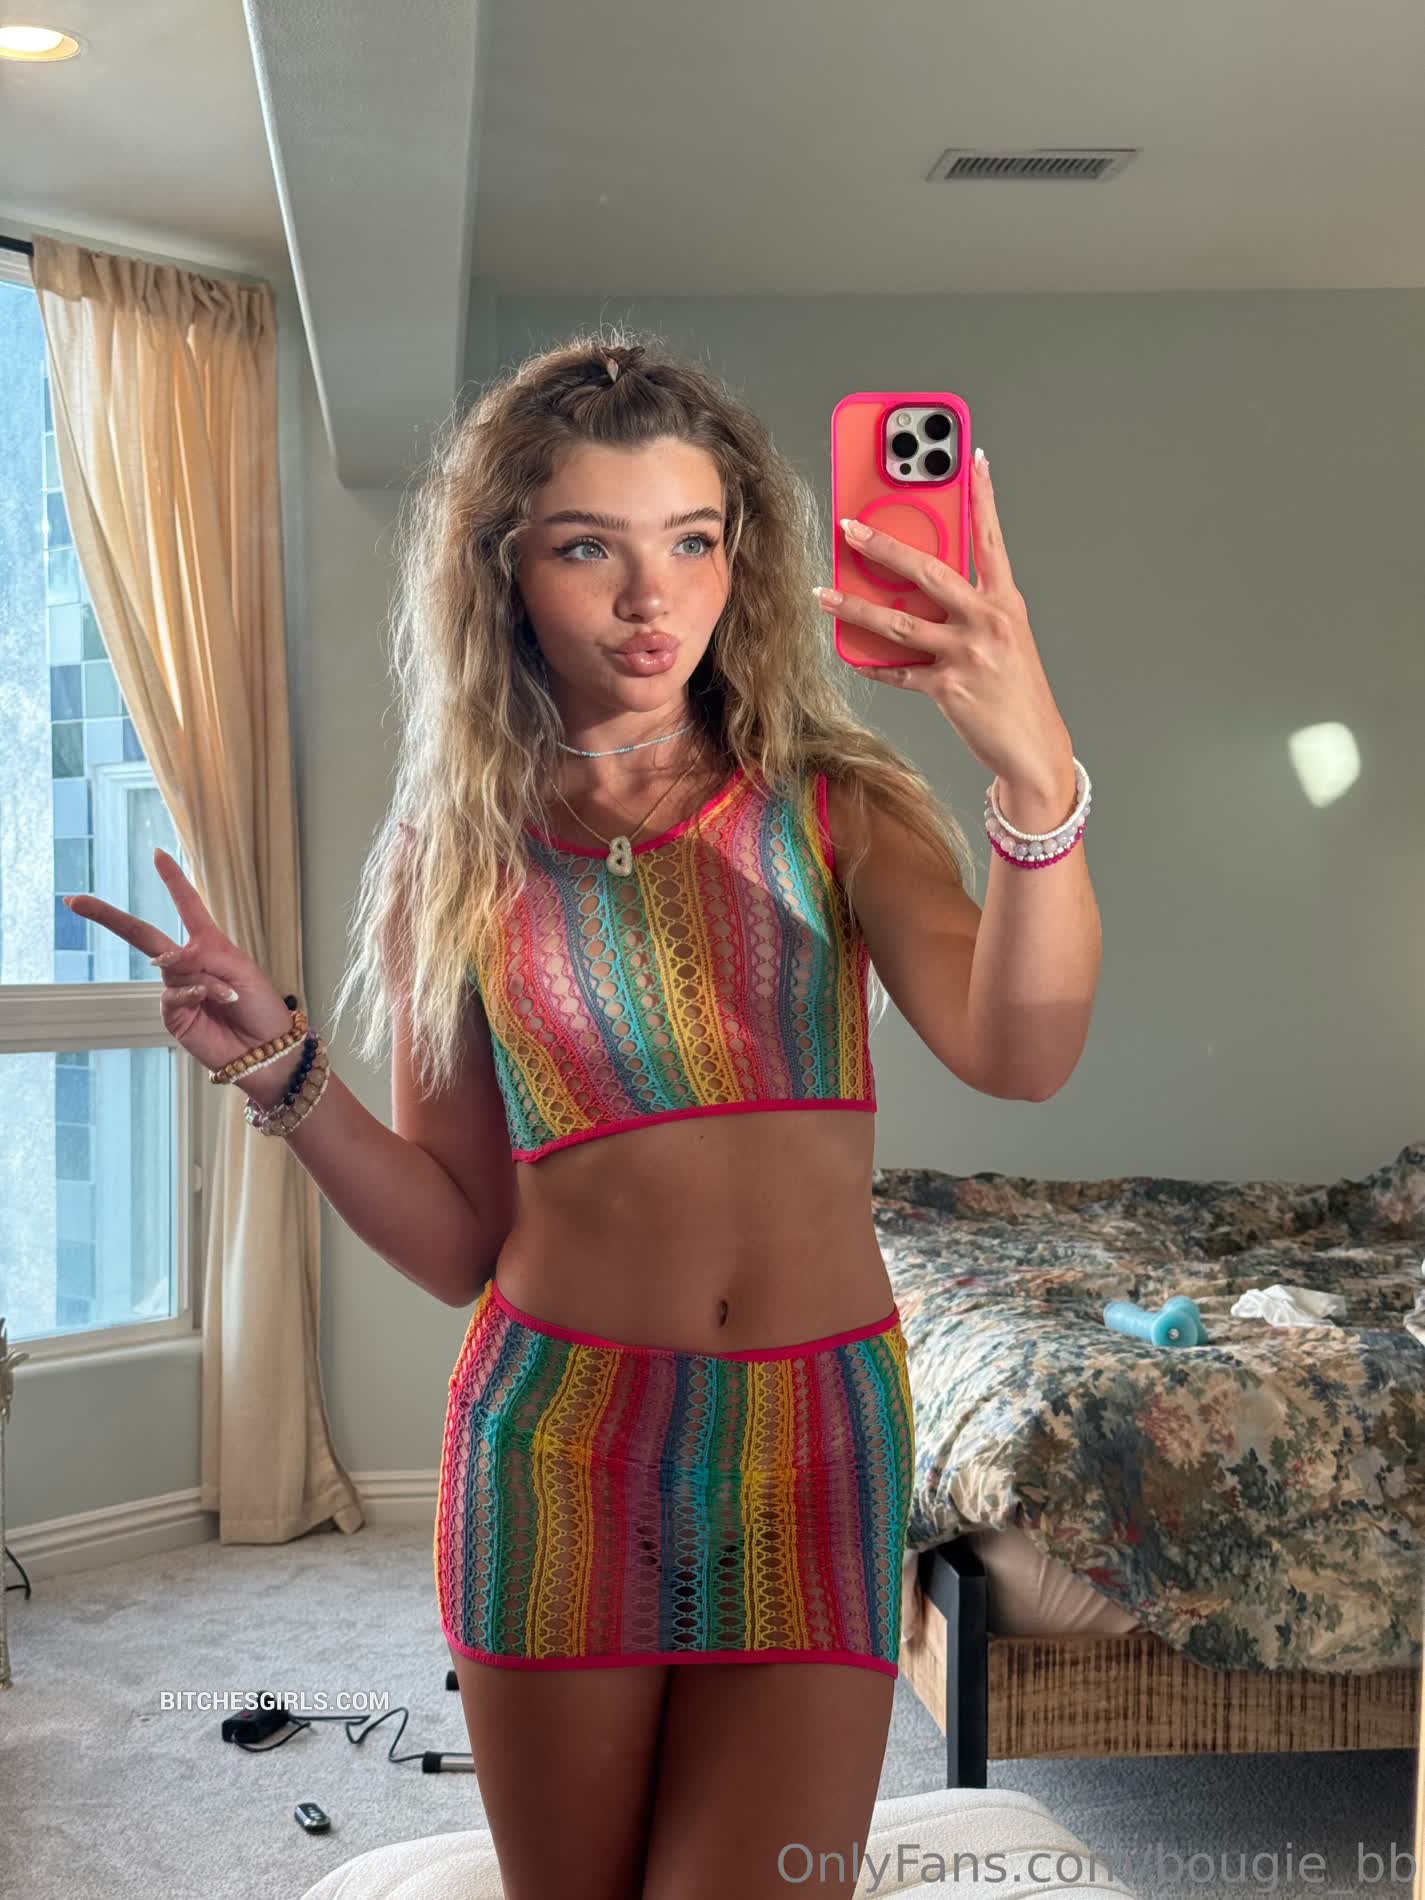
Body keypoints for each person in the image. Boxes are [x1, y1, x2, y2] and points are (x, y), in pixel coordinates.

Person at [70, 329, 1092, 1899]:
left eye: (691, 540)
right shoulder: (455, 853)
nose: (647, 596)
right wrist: (279, 1066)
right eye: (586, 547)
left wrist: (1034, 777)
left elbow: (1019, 1052)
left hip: (814, 1446)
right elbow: (455, 1241)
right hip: (557, 1444)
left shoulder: (838, 803)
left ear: (739, 557)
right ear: (506, 572)